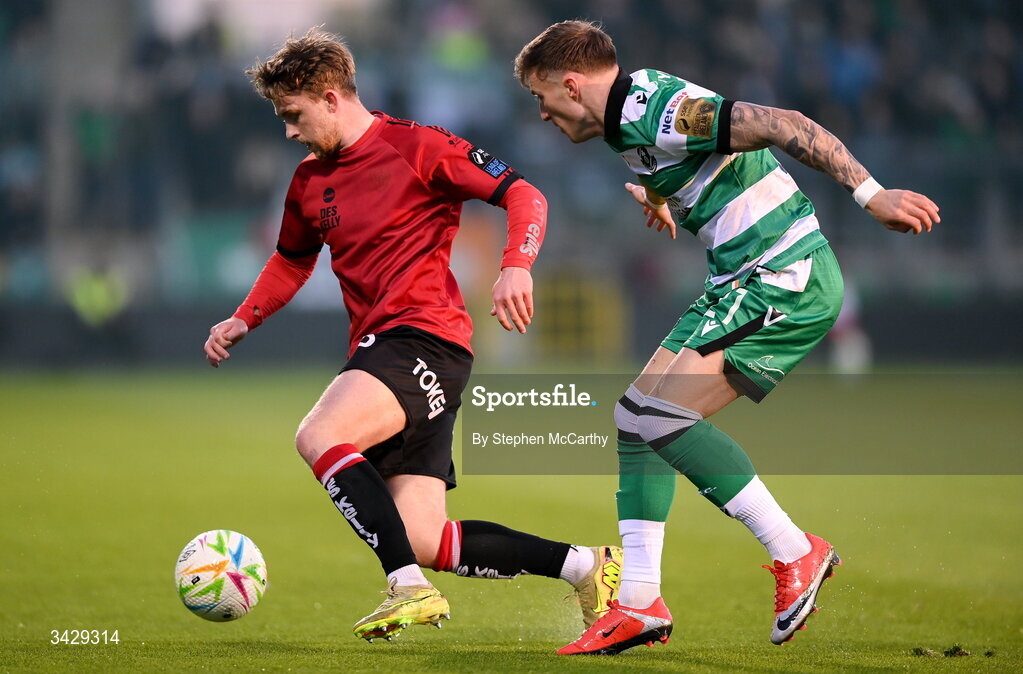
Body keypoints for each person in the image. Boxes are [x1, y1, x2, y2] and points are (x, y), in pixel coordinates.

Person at [514, 20, 939, 655]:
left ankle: (796, 550)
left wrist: (870, 194)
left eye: (540, 98)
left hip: (782, 276)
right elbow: (689, 159)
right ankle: (638, 600)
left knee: (660, 417)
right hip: (736, 280)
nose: (542, 115)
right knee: (633, 419)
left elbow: (781, 122)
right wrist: (663, 194)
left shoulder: (654, 110)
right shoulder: (621, 118)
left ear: (571, 85)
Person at [203, 28, 622, 643]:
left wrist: (516, 265)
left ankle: (406, 588)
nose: (289, 132)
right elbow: (292, 260)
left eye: (293, 115)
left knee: (321, 434)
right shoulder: (307, 183)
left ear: (328, 95)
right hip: (394, 349)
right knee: (427, 538)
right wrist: (246, 316)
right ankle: (588, 566)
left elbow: (525, 195)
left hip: (421, 338)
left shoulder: (418, 147)